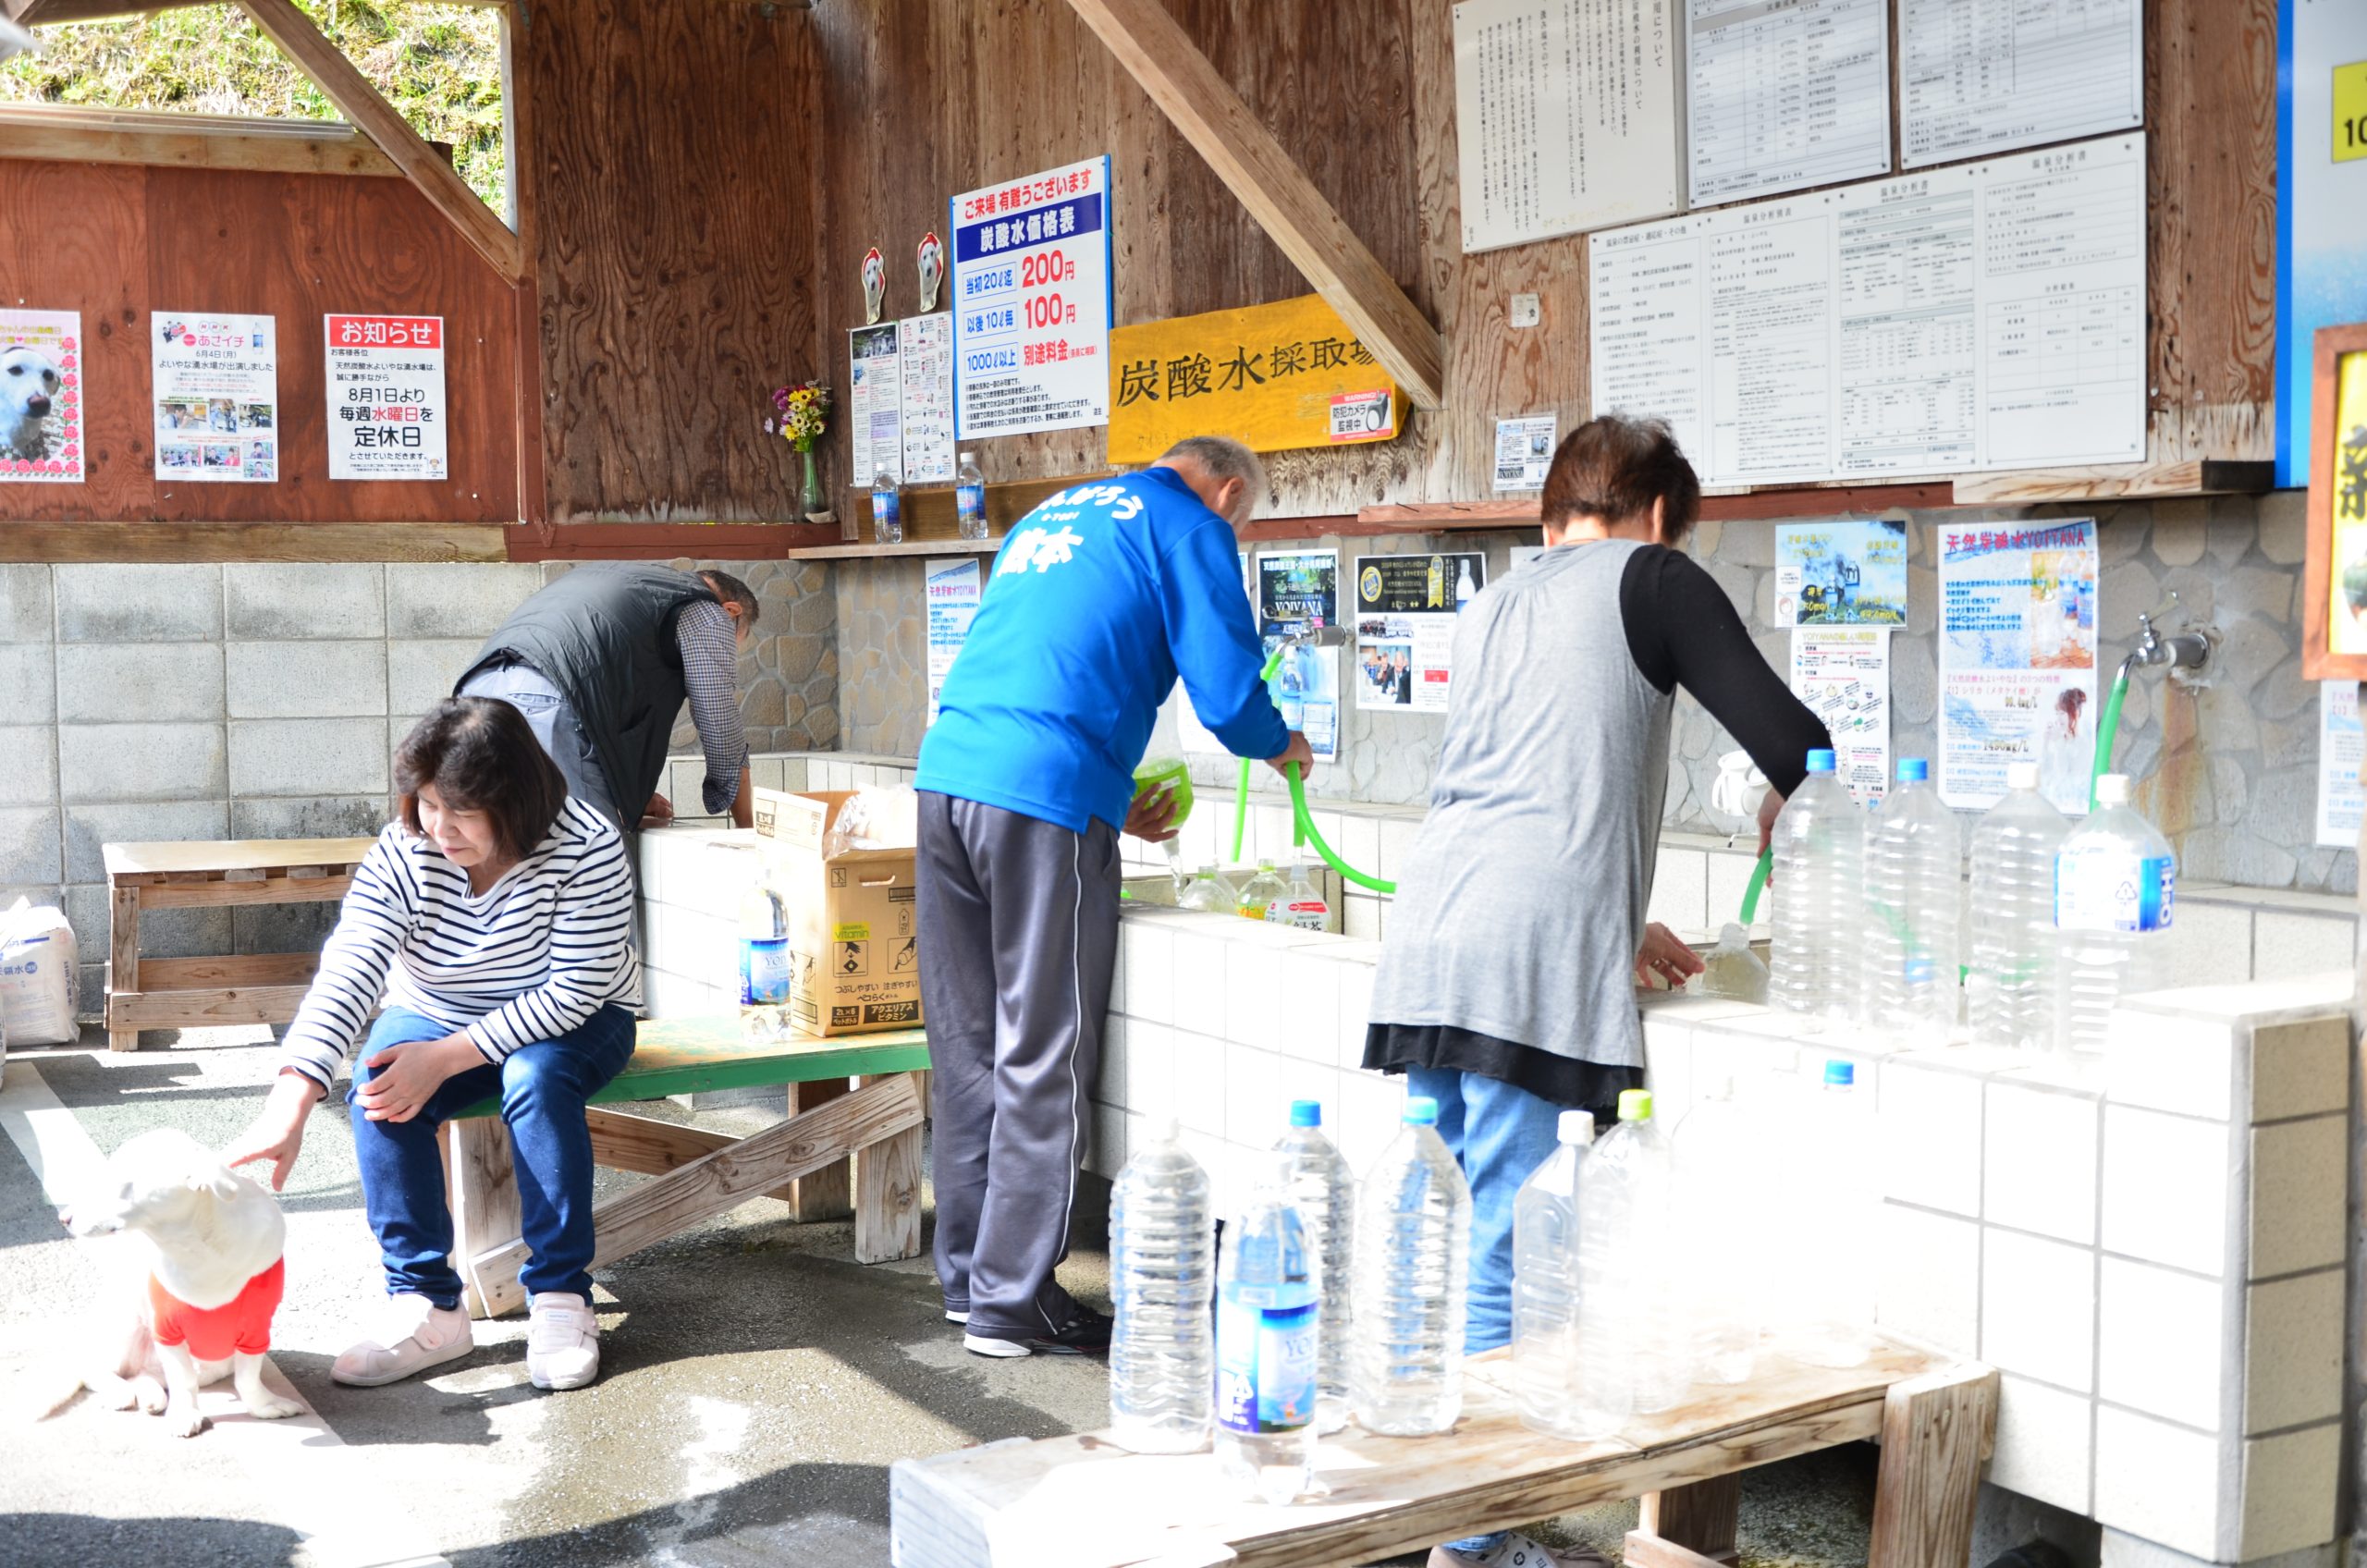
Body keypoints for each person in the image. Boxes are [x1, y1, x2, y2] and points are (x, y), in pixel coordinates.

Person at [1362, 416, 1831, 1568]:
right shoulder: (1655, 576)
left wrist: (1616, 919)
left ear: (1550, 510)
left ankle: (1435, 1499)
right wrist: (1793, 801)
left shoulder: (1494, 604)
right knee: (1509, 1245)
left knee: (1455, 1217)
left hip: (1432, 929)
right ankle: (1464, 1545)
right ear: (1662, 514)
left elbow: (1526, 782)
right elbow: (1799, 744)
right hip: (1527, 954)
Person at [914, 435, 1312, 1358]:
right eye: (1243, 521)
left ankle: (969, 1278)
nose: (1236, 535)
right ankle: (1013, 1302)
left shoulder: (1058, 512)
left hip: (947, 783)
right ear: (1227, 492)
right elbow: (1225, 696)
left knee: (969, 1046)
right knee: (1043, 1047)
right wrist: (1280, 742)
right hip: (1040, 799)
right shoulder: (1190, 524)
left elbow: (1047, 666)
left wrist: (1107, 799)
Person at [227, 698, 641, 1392]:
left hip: (578, 1016)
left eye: (462, 811)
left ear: (516, 800)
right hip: (437, 1009)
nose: (439, 828)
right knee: (380, 1085)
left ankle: (561, 1298)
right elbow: (353, 962)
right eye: (425, 804)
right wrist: (290, 1102)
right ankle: (427, 1307)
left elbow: (574, 990)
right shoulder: (405, 849)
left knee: (535, 1080)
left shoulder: (587, 845)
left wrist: (447, 1058)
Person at [456, 565, 761, 835]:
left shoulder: (631, 582)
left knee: (507, 845)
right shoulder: (706, 610)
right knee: (595, 868)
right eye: (734, 642)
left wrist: (627, 797)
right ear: (732, 610)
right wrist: (749, 828)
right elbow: (718, 719)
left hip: (477, 695)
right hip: (547, 699)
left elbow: (603, 687)